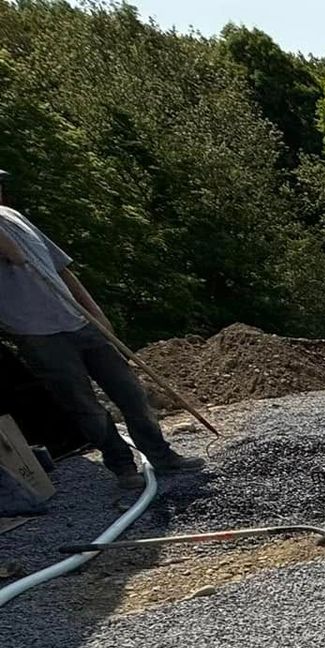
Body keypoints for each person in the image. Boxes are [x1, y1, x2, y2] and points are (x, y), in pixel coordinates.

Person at [0, 168, 205, 482]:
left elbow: (62, 269)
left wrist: (95, 312)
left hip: (80, 320)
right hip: (38, 335)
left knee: (131, 393)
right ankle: (122, 466)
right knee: (85, 405)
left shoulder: (15, 217)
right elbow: (13, 256)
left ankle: (162, 456)